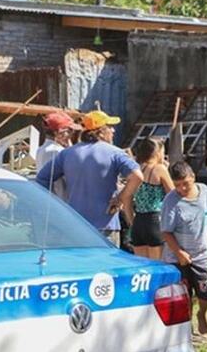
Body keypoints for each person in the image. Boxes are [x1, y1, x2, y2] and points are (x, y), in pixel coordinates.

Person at [36, 110, 143, 246]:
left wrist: (58, 207)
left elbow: (42, 179)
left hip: (76, 225)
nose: (113, 131)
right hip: (105, 224)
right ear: (101, 131)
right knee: (107, 266)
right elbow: (137, 176)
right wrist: (120, 198)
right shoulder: (115, 152)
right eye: (110, 127)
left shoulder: (67, 154)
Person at [161, 161, 207, 335]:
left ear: (193, 177)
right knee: (184, 294)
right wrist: (179, 253)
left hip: (202, 252)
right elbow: (166, 232)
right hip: (178, 255)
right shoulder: (171, 201)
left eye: (185, 183)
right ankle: (187, 325)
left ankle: (202, 313)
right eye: (177, 185)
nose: (182, 188)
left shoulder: (205, 191)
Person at [129, 138, 174, 259]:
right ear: (158, 152)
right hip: (154, 220)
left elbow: (127, 197)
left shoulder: (136, 169)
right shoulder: (159, 169)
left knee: (142, 268)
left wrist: (131, 220)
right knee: (157, 266)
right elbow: (173, 194)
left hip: (138, 221)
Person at [35, 112, 80, 199]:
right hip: (61, 201)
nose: (71, 135)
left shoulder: (40, 150)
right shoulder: (56, 151)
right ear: (60, 132)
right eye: (69, 131)